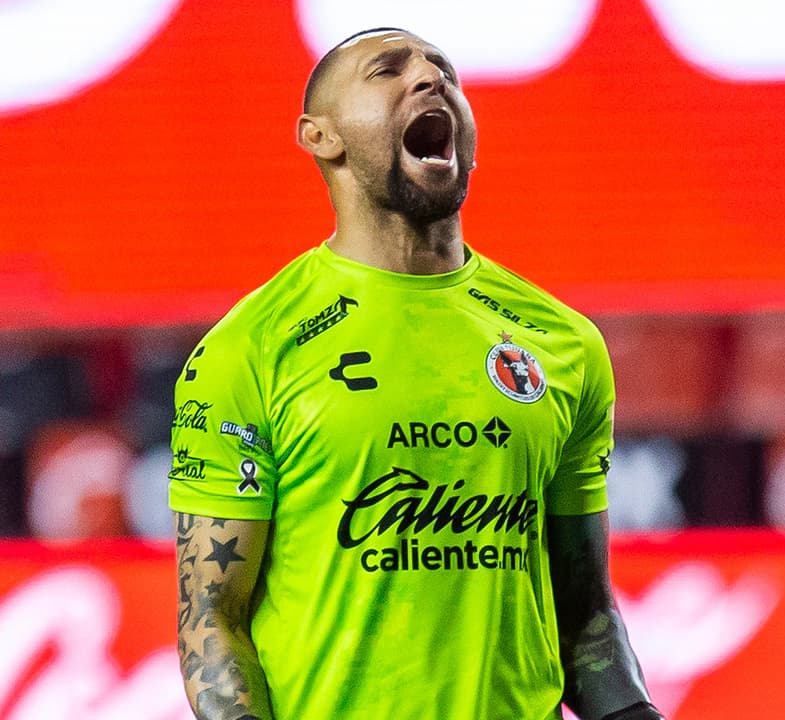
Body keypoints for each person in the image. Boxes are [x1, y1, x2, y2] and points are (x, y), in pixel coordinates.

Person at [169, 27, 662, 720]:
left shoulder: (562, 342)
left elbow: (585, 615)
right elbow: (211, 618)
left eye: (444, 71)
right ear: (320, 136)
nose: (431, 80)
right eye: (387, 71)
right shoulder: (248, 350)